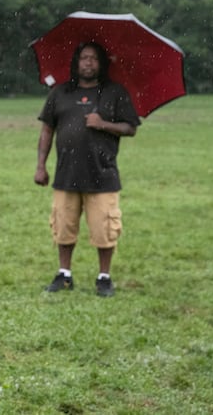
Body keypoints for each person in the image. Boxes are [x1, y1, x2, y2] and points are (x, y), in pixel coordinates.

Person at [34, 41, 140, 297]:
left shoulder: (115, 92)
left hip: (102, 174)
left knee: (104, 229)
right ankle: (64, 275)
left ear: (101, 63)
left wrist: (103, 124)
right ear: (76, 62)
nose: (88, 63)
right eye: (84, 58)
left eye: (94, 58)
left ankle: (104, 277)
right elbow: (47, 130)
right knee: (63, 227)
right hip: (66, 174)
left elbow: (130, 128)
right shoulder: (60, 93)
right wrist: (40, 166)